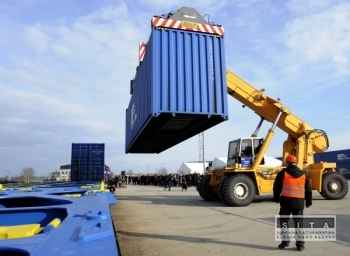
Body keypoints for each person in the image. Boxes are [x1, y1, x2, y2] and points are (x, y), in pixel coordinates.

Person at [273, 154, 312, 251]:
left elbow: (277, 187)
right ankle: (300, 245)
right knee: (299, 224)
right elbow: (308, 190)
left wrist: (276, 198)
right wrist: (308, 202)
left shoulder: (283, 173)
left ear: (287, 163)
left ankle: (285, 242)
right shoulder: (304, 174)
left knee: (284, 222)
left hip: (286, 202)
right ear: (295, 163)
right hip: (298, 203)